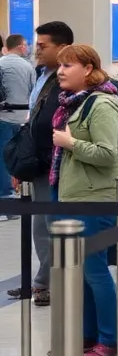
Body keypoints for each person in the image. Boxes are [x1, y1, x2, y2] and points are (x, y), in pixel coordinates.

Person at [50, 44, 118, 356]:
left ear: (89, 69)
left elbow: (108, 155)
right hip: (76, 196)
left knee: (95, 272)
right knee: (81, 273)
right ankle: (88, 337)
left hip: (94, 199)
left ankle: (109, 340)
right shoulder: (75, 104)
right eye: (59, 66)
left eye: (68, 65)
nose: (60, 71)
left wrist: (71, 143)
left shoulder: (102, 104)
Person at [6, 22, 72, 305]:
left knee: (51, 224)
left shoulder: (66, 82)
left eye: (44, 46)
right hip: (38, 163)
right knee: (40, 226)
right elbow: (34, 120)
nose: (37, 50)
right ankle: (42, 281)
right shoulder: (42, 76)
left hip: (54, 163)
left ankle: (46, 282)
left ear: (62, 48)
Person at [0, 33, 36, 206]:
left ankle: (5, 194)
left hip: (3, 117)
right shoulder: (28, 66)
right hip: (22, 118)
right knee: (19, 156)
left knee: (2, 156)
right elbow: (33, 92)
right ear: (21, 46)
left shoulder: (1, 63)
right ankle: (15, 191)